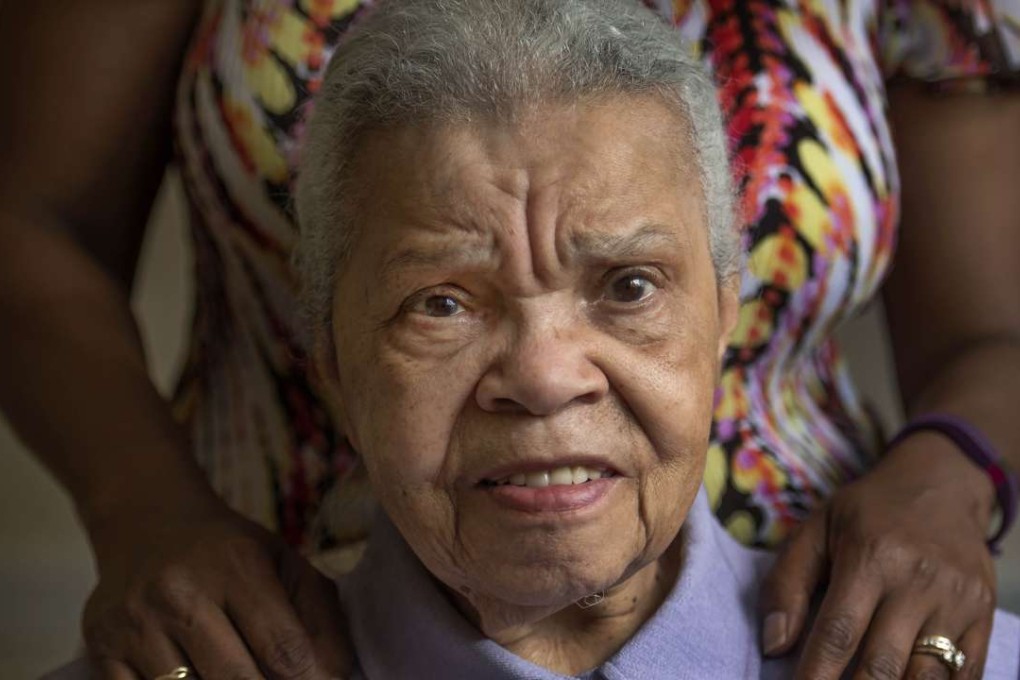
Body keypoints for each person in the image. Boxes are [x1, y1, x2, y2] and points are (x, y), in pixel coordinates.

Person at [2, 0, 1018, 678]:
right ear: (334, 363)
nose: (544, 374)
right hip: (271, 615)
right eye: (442, 302)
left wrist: (952, 474)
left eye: (629, 285)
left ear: (726, 315)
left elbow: (997, 326)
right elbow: (30, 224)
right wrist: (147, 511)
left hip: (829, 605)